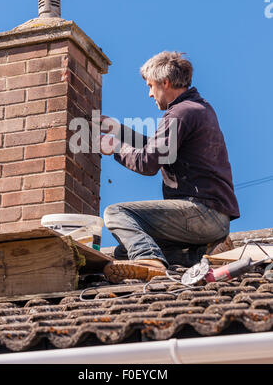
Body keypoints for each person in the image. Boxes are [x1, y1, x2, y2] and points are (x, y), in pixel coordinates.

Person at [98, 51, 240, 283]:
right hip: (214, 219)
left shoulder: (180, 113)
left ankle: (150, 261)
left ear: (165, 82)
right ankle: (203, 254)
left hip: (201, 213)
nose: (150, 93)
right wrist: (119, 131)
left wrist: (115, 147)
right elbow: (157, 149)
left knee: (117, 214)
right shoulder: (197, 108)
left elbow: (148, 162)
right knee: (124, 252)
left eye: (151, 85)